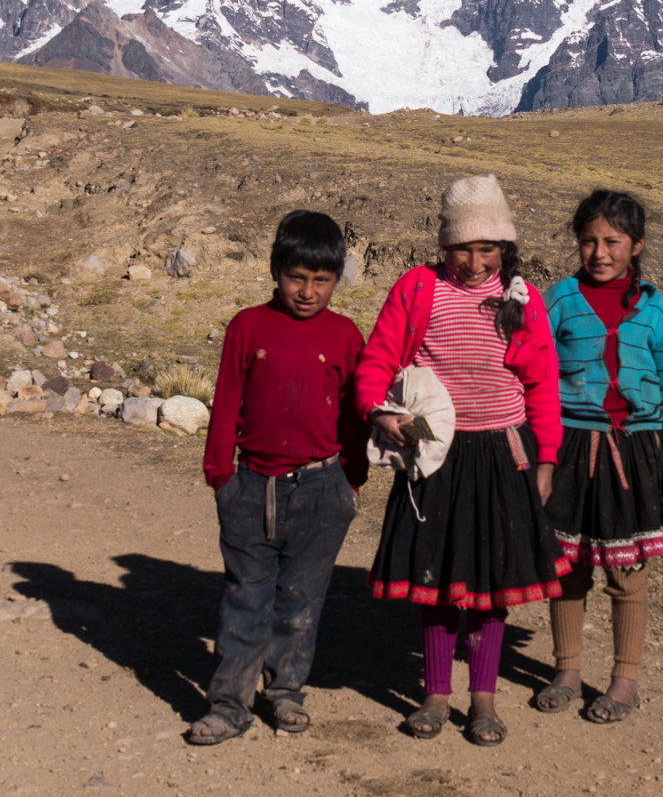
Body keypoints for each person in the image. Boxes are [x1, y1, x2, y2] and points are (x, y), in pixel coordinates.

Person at [357, 174, 568, 746]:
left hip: (502, 450)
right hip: (434, 449)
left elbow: (542, 383)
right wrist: (378, 411)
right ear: (442, 245)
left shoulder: (521, 300)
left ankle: (483, 700)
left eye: (487, 249)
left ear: (504, 247)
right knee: (437, 575)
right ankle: (434, 694)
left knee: (491, 580)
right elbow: (378, 357)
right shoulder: (418, 288)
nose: (474, 262)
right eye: (462, 249)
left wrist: (545, 457)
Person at [187, 210, 368, 746]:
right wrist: (221, 475)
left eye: (321, 280)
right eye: (296, 277)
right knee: (247, 597)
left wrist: (351, 482)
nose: (308, 291)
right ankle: (228, 705)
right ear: (275, 270)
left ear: (337, 279)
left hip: (322, 487)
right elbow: (226, 402)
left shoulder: (344, 335)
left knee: (301, 600)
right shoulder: (248, 326)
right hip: (250, 487)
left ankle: (286, 692)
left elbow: (354, 418)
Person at [536, 189, 663, 723]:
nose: (599, 253)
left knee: (627, 573)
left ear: (637, 244)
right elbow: (540, 378)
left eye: (613, 242)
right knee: (568, 566)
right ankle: (567, 670)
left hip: (636, 449)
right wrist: (544, 455)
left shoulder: (656, 309)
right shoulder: (558, 300)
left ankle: (625, 680)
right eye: (588, 241)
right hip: (572, 446)